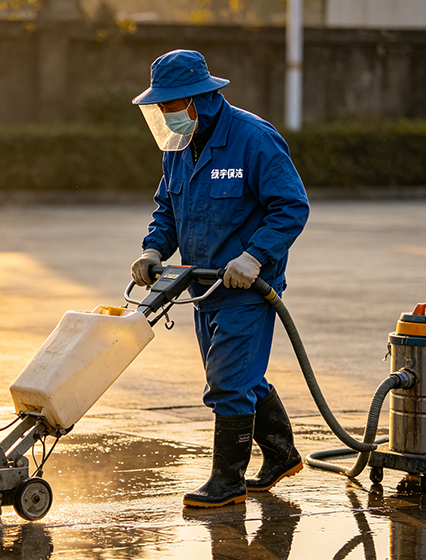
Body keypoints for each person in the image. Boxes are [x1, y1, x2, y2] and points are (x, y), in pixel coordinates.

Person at [130, 49, 310, 508]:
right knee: (238, 375)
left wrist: (254, 256)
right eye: (162, 108)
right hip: (203, 285)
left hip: (248, 287)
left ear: (199, 100)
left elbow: (291, 206)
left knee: (228, 384)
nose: (167, 116)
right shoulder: (177, 147)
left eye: (172, 107)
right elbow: (168, 207)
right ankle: (282, 454)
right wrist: (154, 248)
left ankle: (226, 481)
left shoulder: (254, 139)